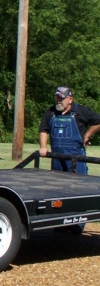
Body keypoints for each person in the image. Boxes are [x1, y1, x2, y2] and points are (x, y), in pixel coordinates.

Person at [39, 86, 100, 233]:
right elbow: (43, 129)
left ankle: (77, 226)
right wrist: (43, 146)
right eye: (57, 97)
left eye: (61, 98)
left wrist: (87, 135)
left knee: (78, 190)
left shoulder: (80, 112)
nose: (58, 100)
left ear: (70, 99)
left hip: (76, 158)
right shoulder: (51, 112)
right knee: (57, 190)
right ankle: (59, 224)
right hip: (57, 158)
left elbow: (98, 121)